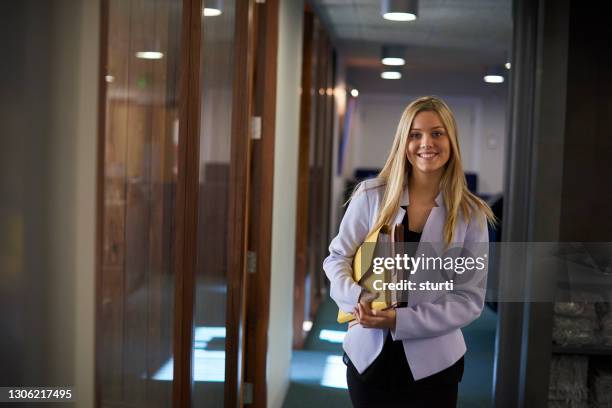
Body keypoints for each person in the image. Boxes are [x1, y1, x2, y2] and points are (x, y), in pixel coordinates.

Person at [323, 96, 496, 407]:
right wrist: (357, 299)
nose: (426, 143)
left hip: (435, 364)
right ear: (404, 142)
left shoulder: (472, 214)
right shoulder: (371, 195)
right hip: (368, 357)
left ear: (451, 140)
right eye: (415, 134)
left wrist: (398, 320)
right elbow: (337, 259)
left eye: (437, 133)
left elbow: (468, 300)